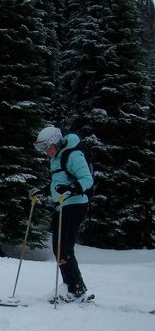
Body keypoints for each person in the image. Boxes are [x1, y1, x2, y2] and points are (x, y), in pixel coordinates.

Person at [30, 126, 94, 304]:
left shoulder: (73, 155)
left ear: (56, 142)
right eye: (41, 148)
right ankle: (74, 288)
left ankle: (74, 290)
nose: (46, 152)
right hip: (63, 206)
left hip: (75, 205)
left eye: (47, 147)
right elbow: (60, 184)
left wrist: (70, 189)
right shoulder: (57, 158)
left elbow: (87, 180)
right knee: (60, 248)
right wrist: (43, 191)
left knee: (63, 248)